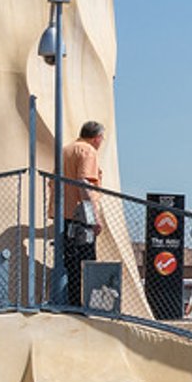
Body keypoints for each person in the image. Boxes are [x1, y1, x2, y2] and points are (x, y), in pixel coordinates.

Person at [59, 120, 104, 306]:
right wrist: (94, 217)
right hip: (82, 216)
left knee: (71, 263)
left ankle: (73, 302)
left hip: (65, 212)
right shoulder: (88, 151)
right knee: (86, 262)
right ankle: (85, 304)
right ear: (97, 138)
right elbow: (83, 181)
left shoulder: (65, 150)